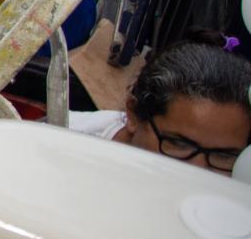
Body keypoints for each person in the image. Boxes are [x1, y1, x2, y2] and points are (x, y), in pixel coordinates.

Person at [70, 38, 251, 175]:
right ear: (133, 114)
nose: (197, 172)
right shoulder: (62, 145)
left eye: (224, 156)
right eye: (179, 144)